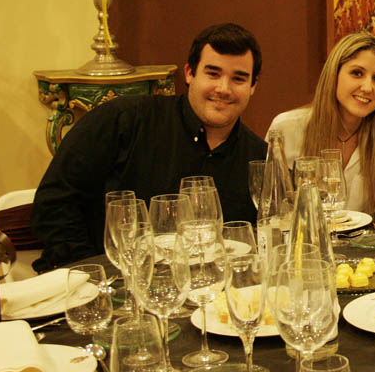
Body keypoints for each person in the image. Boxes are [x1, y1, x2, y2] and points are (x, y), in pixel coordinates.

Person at [31, 23, 267, 272]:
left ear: (253, 86)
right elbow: (54, 204)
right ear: (189, 73)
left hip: (216, 289)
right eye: (213, 74)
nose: (223, 89)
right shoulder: (124, 121)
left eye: (238, 78)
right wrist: (96, 275)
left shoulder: (260, 159)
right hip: (108, 281)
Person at [266, 32, 375, 214]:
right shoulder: (286, 128)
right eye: (357, 73)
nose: (367, 87)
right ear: (334, 74)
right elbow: (271, 206)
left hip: (365, 233)